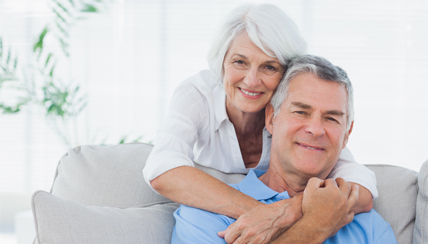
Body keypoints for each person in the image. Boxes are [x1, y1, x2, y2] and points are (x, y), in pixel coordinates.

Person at [143, 3, 377, 242]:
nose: (252, 80)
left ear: (287, 75)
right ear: (221, 63)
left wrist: (285, 211)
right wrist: (263, 213)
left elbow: (362, 189)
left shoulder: (298, 123)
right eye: (240, 62)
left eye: (269, 67)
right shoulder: (198, 96)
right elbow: (162, 168)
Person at [171, 55, 398, 244]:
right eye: (301, 112)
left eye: (331, 118)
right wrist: (315, 226)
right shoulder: (206, 214)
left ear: (347, 134)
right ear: (271, 118)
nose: (316, 129)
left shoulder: (369, 225)